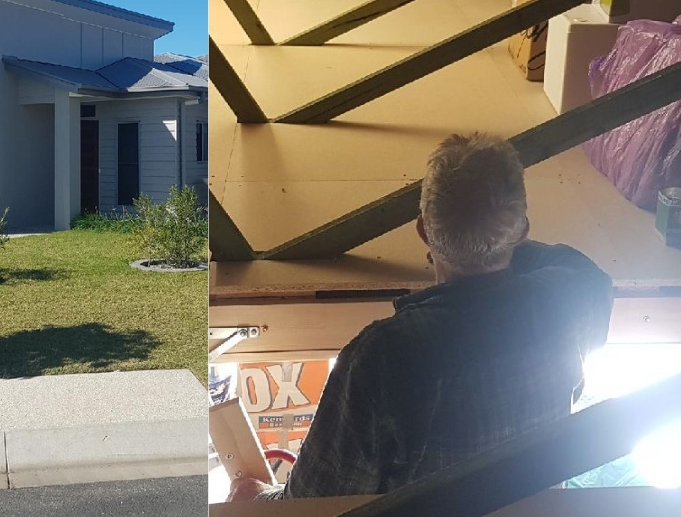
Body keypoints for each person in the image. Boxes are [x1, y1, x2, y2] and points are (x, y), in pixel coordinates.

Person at [229, 133, 614, 501]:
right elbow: (572, 266)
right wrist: (496, 243)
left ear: (423, 231)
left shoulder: (383, 355)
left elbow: (316, 501)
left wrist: (257, 498)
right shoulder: (572, 294)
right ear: (523, 231)